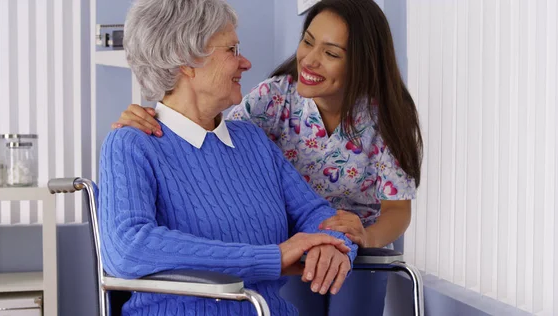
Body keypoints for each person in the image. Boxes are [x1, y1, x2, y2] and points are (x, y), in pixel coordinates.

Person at [112, 0, 423, 315]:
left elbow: (318, 213)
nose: (246, 63)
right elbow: (128, 248)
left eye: (330, 53)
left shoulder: (252, 140)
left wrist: (332, 242)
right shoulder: (133, 143)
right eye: (232, 50)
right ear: (187, 61)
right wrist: (273, 256)